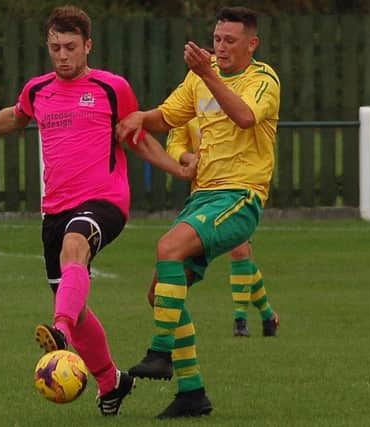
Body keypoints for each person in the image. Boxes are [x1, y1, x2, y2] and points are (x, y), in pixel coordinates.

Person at [0, 5, 195, 416]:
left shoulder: (111, 87)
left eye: (69, 47)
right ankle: (111, 381)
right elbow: (16, 117)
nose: (62, 55)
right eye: (54, 48)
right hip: (54, 209)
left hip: (104, 201)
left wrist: (177, 169)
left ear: (87, 46)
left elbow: (135, 138)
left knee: (75, 246)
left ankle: (59, 332)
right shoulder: (37, 89)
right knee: (74, 301)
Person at [116, 6, 280, 419]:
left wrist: (208, 73)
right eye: (217, 39)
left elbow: (244, 118)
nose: (220, 48)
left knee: (167, 246)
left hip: (240, 197)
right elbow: (166, 117)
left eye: (230, 41)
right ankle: (192, 393)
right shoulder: (197, 78)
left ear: (252, 44)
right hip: (203, 197)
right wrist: (139, 117)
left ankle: (159, 354)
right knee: (160, 295)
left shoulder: (263, 79)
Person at [150, 121, 279, 338]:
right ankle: (267, 314)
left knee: (239, 250)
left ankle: (240, 319)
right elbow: (174, 144)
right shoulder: (190, 97)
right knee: (242, 254)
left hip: (238, 188)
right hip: (205, 194)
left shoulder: (235, 96)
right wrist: (187, 157)